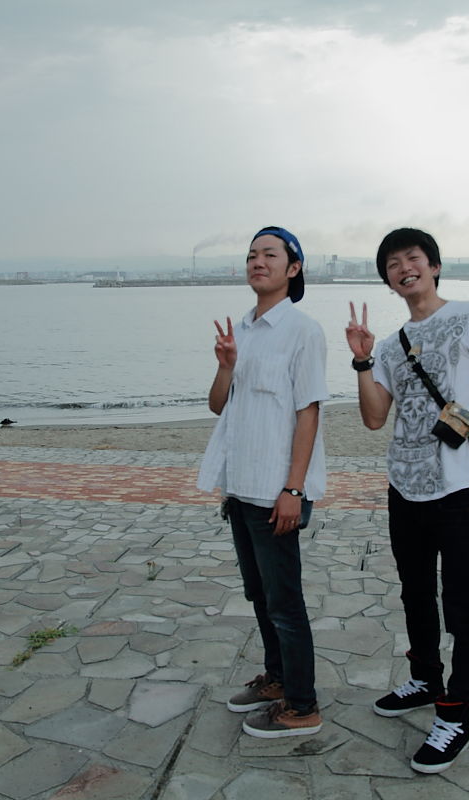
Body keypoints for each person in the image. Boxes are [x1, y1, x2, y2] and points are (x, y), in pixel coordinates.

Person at [345, 227, 469, 773]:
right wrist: (363, 362)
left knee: (462, 604)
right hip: (405, 489)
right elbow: (375, 418)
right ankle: (424, 679)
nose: (404, 268)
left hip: (460, 489)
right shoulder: (391, 345)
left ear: (434, 266)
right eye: (392, 264)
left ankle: (455, 711)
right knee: (415, 594)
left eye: (412, 257)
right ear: (388, 280)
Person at [196, 225, 328, 738]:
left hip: (277, 490)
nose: (257, 261)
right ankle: (277, 679)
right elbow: (218, 406)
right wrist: (226, 366)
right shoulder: (242, 330)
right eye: (252, 254)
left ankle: (302, 705)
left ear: (293, 268)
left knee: (285, 603)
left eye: (270, 254)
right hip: (241, 485)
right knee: (260, 595)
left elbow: (309, 413)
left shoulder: (303, 331)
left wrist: (294, 489)